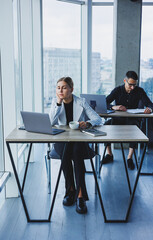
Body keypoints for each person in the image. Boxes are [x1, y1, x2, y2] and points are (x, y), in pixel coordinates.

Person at [49, 77, 103, 214]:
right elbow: (50, 122)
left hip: (79, 138)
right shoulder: (55, 103)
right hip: (62, 139)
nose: (60, 90)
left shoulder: (81, 102)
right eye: (58, 87)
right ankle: (70, 190)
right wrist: (58, 103)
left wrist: (88, 123)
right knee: (66, 152)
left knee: (77, 153)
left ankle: (79, 195)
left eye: (64, 87)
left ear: (72, 89)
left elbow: (97, 118)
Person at [102, 70, 153, 170]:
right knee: (106, 126)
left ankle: (129, 157)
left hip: (132, 119)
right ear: (125, 81)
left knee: (134, 128)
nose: (132, 87)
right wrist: (114, 107)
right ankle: (109, 154)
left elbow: (150, 104)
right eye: (130, 84)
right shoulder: (118, 90)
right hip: (118, 119)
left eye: (134, 85)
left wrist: (149, 109)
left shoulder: (139, 90)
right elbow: (104, 103)